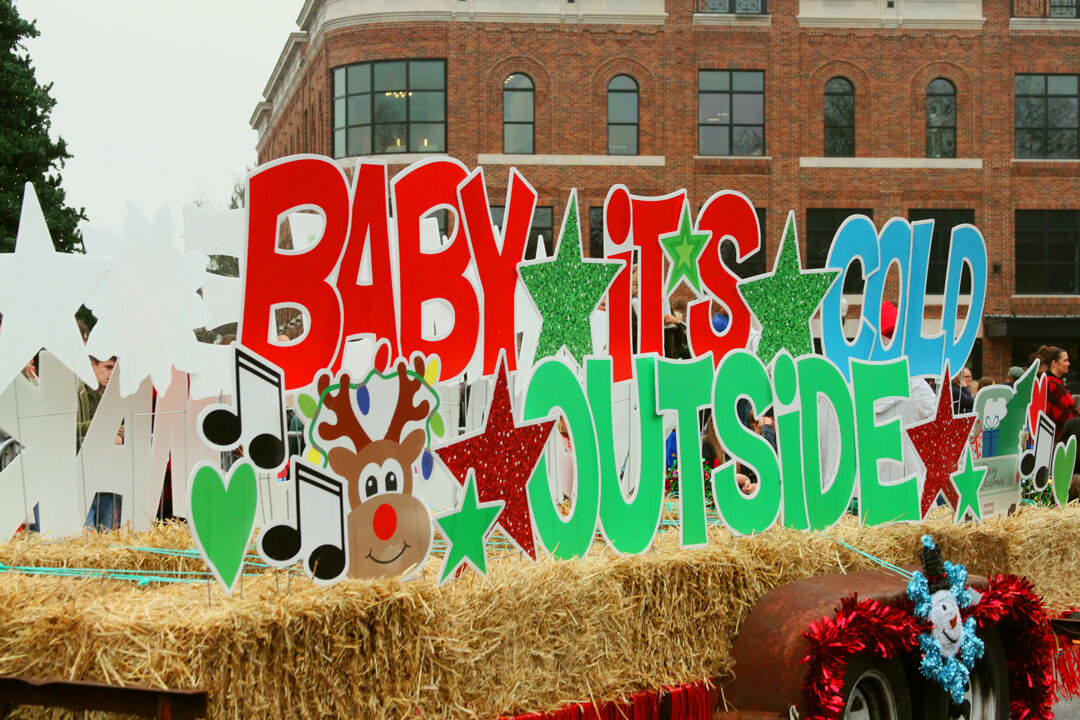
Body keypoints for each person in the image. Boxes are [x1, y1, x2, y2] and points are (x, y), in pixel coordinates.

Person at [80, 355, 123, 530]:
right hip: (85, 474)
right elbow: (71, 426)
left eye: (114, 368)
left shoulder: (113, 392)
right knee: (85, 535)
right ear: (92, 365)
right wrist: (105, 429)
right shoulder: (80, 390)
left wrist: (113, 429)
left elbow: (126, 422)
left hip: (110, 475)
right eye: (107, 367)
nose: (111, 373)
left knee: (107, 534)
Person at [1039, 346, 1080, 450]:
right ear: (1054, 363)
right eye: (1065, 360)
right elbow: (1064, 417)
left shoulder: (1052, 382)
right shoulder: (1052, 384)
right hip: (1056, 442)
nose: (1068, 364)